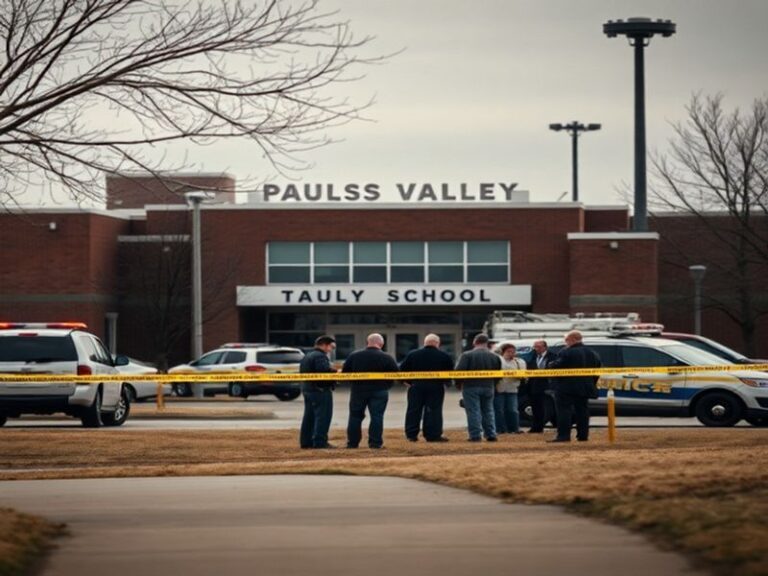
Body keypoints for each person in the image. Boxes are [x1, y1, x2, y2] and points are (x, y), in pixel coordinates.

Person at [342, 333, 399, 449]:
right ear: (381, 344)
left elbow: (344, 374)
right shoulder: (387, 357)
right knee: (377, 416)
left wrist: (354, 383)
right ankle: (375, 443)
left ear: (367, 342)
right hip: (379, 390)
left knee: (355, 416)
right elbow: (396, 374)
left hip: (358, 390)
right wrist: (387, 385)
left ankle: (352, 443)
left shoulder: (354, 356)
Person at [547, 330, 602, 442]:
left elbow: (557, 367)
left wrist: (551, 364)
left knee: (564, 412)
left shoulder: (566, 352)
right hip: (585, 387)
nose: (565, 342)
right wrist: (591, 382)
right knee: (583, 411)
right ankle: (583, 435)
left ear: (572, 340)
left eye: (566, 340)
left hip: (566, 387)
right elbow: (597, 369)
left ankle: (563, 436)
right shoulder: (592, 353)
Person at [400, 333, 454, 442]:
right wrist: (447, 383)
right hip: (435, 387)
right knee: (433, 411)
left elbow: (402, 370)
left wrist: (408, 382)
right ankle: (432, 435)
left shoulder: (413, 354)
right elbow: (450, 372)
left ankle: (411, 434)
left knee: (413, 410)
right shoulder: (444, 356)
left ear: (425, 343)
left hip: (416, 386)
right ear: (437, 343)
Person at [455, 333, 500, 442]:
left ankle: (475, 435)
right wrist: (494, 384)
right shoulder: (494, 356)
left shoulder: (467, 355)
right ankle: (491, 434)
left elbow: (459, 371)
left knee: (473, 411)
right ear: (486, 343)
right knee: (488, 411)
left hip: (471, 386)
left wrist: (458, 384)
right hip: (489, 386)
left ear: (475, 342)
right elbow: (499, 373)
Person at [299, 335, 338, 449]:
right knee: (323, 416)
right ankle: (320, 442)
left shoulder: (308, 356)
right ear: (324, 345)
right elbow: (323, 373)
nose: (331, 350)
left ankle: (306, 442)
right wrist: (335, 372)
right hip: (320, 391)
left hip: (308, 389)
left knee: (309, 417)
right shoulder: (320, 356)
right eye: (331, 347)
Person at [494, 343, 526, 434]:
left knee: (512, 410)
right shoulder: (498, 360)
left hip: (512, 389)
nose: (511, 353)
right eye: (508, 351)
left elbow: (523, 375)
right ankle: (500, 429)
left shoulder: (519, 362)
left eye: (513, 352)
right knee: (499, 410)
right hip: (499, 389)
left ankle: (514, 428)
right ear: (503, 352)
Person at [525, 339, 554, 433]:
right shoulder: (532, 356)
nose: (536, 349)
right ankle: (536, 427)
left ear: (545, 347)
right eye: (535, 347)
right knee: (535, 408)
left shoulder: (553, 356)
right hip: (534, 386)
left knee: (546, 408)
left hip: (547, 386)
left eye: (538, 347)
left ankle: (541, 425)